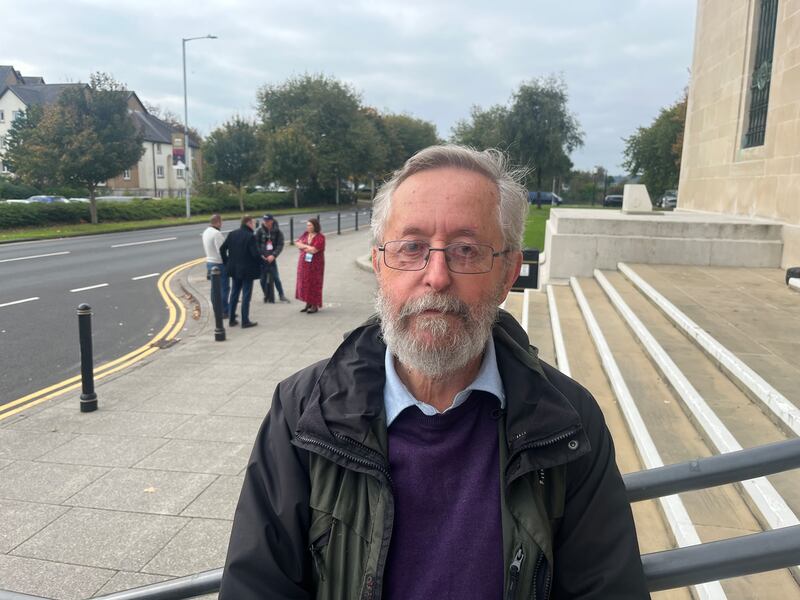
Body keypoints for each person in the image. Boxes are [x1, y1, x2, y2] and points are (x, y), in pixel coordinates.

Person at [219, 145, 649, 599]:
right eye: (411, 248)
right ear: (381, 265)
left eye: (466, 250)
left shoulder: (568, 421)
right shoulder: (303, 413)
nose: (437, 275)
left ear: (507, 274)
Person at [220, 215, 262, 329]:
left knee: (234, 293)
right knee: (246, 295)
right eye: (253, 223)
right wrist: (261, 261)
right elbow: (255, 254)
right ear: (248, 223)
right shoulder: (250, 236)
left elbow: (222, 249)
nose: (254, 225)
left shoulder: (232, 233)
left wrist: (227, 262)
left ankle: (232, 319)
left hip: (234, 269)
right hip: (247, 270)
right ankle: (245, 321)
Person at [255, 214, 290, 303]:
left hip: (272, 258)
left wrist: (274, 255)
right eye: (264, 220)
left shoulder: (278, 232)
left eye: (267, 220)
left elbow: (280, 245)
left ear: (272, 221)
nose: (265, 222)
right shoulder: (259, 231)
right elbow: (256, 244)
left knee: (276, 277)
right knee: (262, 279)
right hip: (262, 258)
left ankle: (281, 295)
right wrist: (260, 254)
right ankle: (266, 295)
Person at [295, 217, 326, 314]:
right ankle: (308, 302)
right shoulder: (305, 234)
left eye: (310, 225)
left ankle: (314, 304)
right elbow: (297, 243)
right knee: (304, 283)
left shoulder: (320, 237)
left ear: (315, 226)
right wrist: (307, 247)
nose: (307, 227)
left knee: (314, 283)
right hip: (303, 264)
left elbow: (314, 250)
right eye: (307, 225)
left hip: (315, 265)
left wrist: (304, 246)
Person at [201, 214, 229, 318]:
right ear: (218, 222)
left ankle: (216, 310)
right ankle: (225, 311)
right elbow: (221, 251)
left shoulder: (206, 232)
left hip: (209, 263)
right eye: (221, 221)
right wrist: (227, 262)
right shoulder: (217, 234)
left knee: (214, 289)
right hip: (219, 264)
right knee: (224, 288)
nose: (222, 224)